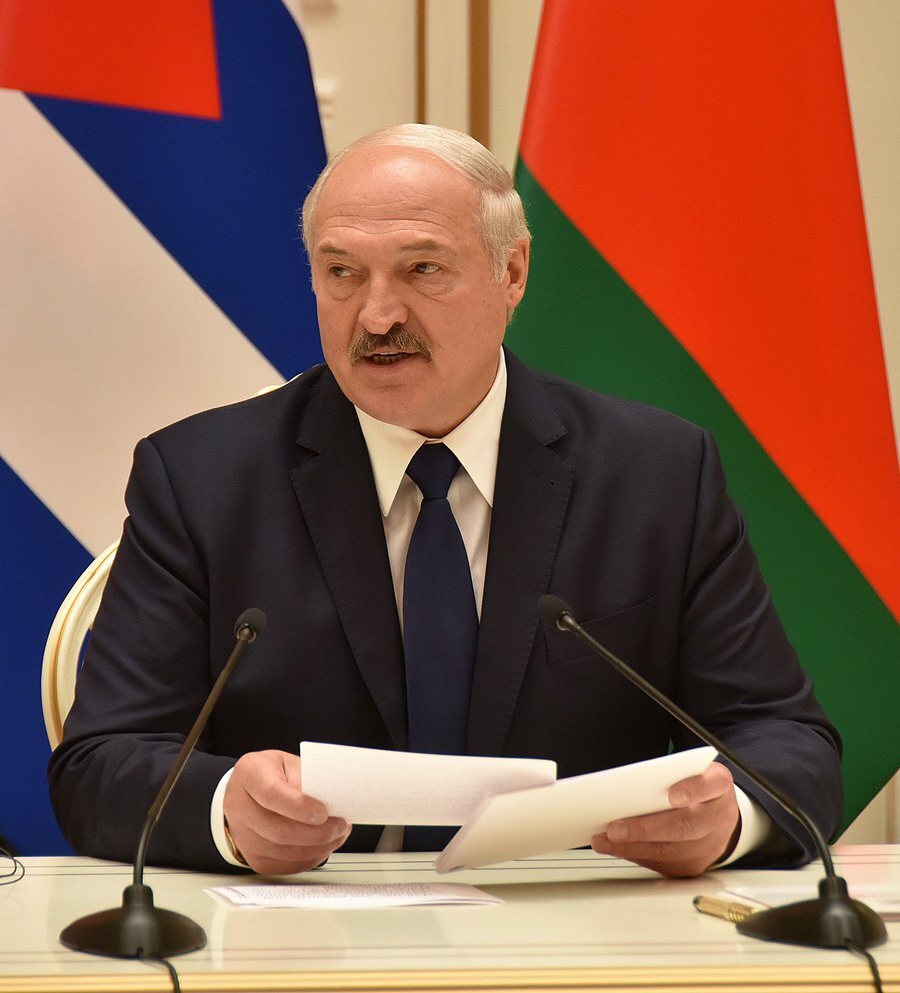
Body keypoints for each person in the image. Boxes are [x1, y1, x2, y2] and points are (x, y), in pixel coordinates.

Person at [49, 124, 842, 877]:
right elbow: (99, 764)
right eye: (341, 273)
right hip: (301, 928)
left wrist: (730, 818)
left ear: (512, 273)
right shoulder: (202, 479)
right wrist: (228, 809)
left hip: (578, 923)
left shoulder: (655, 474)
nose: (377, 315)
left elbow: (786, 738)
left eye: (422, 269)